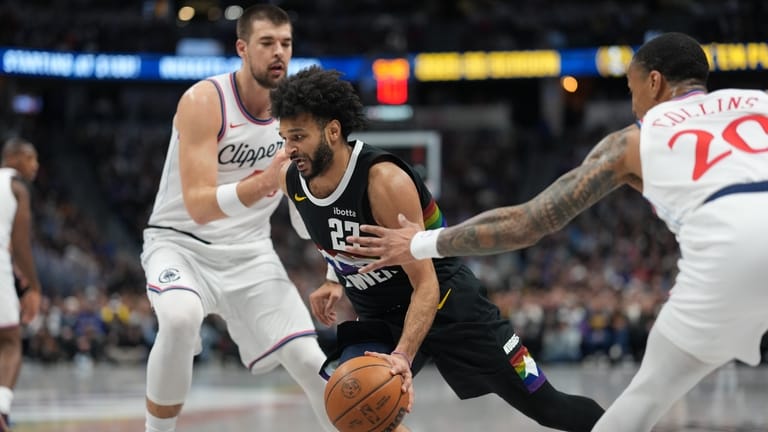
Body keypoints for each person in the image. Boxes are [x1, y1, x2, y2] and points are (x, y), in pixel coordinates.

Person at [345, 32, 768, 431]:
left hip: (724, 261)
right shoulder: (758, 101)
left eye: (632, 88)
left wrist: (421, 242)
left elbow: (529, 223)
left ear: (654, 82)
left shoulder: (634, 139)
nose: (634, 103)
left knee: (636, 410)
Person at [271, 65, 605, 432]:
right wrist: (334, 277)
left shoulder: (384, 182)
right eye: (285, 137)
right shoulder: (293, 180)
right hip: (382, 319)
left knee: (549, 406)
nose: (289, 149)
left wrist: (402, 355)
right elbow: (332, 235)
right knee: (359, 411)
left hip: (450, 306)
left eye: (298, 137)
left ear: (332, 131)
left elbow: (426, 285)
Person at [140, 5, 333, 432]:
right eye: (267, 43)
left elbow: (306, 213)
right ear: (242, 48)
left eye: (285, 43)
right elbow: (199, 205)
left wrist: (332, 267)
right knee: (178, 316)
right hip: (180, 243)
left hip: (250, 252)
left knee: (310, 361)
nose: (278, 52)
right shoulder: (204, 100)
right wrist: (267, 181)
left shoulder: (299, 116)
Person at [0, 137, 42, 432]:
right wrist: (35, 287)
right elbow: (20, 243)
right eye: (31, 158)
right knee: (10, 341)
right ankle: (1, 409)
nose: (35, 166)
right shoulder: (17, 187)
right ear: (13, 157)